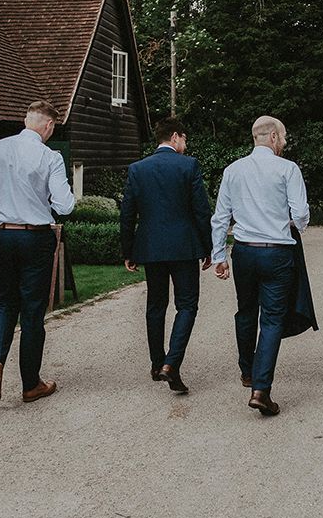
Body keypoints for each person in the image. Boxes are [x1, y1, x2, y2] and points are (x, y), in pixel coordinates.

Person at [0, 100, 75, 404]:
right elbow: (65, 206)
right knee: (32, 311)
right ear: (49, 125)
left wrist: (0, 194)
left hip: (3, 236)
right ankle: (30, 384)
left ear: (27, 120)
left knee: (3, 303)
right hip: (35, 238)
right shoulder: (49, 156)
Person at [211, 116, 310, 417]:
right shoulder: (287, 169)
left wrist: (219, 255)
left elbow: (220, 217)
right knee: (271, 320)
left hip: (244, 252)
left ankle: (247, 371)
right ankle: (261, 390)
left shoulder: (233, 170)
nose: (284, 142)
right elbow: (302, 214)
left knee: (245, 310)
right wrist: (293, 224)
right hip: (277, 252)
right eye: (283, 137)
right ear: (272, 137)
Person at [120, 117, 212, 394]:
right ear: (175, 137)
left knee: (155, 305)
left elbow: (127, 214)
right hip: (184, 248)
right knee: (187, 305)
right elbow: (201, 211)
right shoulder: (189, 166)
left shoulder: (138, 169)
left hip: (150, 247)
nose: (186, 144)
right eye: (184, 138)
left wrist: (129, 250)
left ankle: (156, 362)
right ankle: (172, 363)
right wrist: (208, 248)